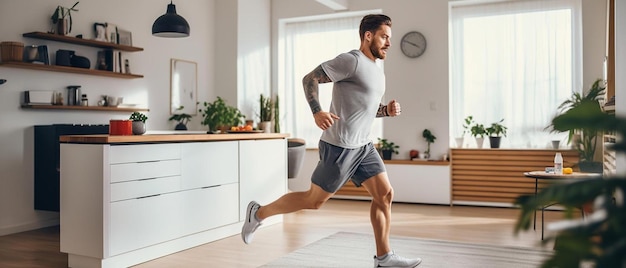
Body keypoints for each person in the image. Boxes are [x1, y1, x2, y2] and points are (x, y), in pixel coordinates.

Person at [242, 14, 422, 268]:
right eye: (384, 37)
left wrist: (385, 111)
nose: (388, 43)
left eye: (389, 38)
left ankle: (384, 258)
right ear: (368, 36)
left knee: (385, 194)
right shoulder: (352, 61)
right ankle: (258, 213)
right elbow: (310, 78)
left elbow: (364, 109)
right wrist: (317, 111)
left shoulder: (377, 71)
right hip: (339, 146)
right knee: (313, 201)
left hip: (363, 146)